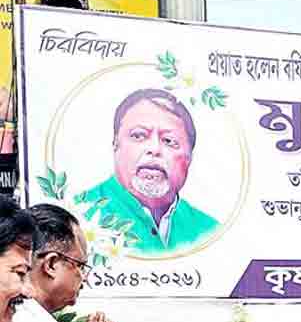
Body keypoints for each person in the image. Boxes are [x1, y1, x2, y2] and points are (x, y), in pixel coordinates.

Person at [76, 88, 219, 254]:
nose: (154, 149)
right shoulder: (77, 215)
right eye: (139, 136)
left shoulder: (210, 231)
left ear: (189, 156)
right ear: (116, 144)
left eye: (169, 140)